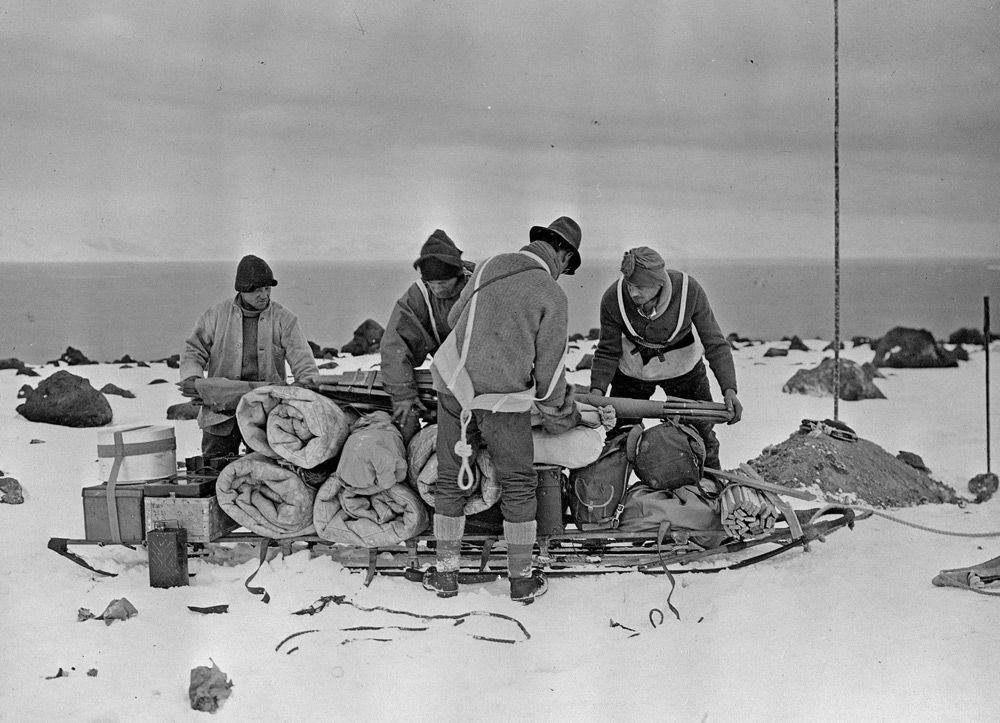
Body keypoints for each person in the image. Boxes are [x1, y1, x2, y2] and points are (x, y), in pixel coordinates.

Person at [425, 216, 584, 604]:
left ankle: (446, 577)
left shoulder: (490, 266)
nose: (564, 273)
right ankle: (521, 582)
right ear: (561, 253)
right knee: (519, 483)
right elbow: (548, 379)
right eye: (567, 265)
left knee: (450, 479)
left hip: (454, 387)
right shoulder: (551, 294)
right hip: (503, 402)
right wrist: (564, 417)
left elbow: (451, 319)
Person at [588, 246, 742, 471]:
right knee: (618, 439)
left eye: (640, 287)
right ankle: (611, 497)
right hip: (633, 372)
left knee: (703, 437)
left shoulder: (690, 291)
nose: (633, 293)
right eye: (630, 285)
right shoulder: (614, 299)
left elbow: (715, 343)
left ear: (659, 283)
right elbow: (607, 351)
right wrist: (596, 395)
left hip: (684, 371)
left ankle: (712, 492)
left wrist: (730, 390)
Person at [178, 254, 319, 458]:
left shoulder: (285, 319)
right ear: (242, 289)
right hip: (220, 414)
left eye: (267, 289)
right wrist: (192, 379)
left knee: (266, 469)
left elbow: (304, 362)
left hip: (266, 414)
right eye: (256, 290)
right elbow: (193, 349)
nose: (264, 295)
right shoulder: (216, 315)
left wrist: (306, 386)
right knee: (213, 469)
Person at [380, 230, 473, 443]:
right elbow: (395, 344)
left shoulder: (479, 286)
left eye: (444, 282)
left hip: (486, 376)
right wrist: (403, 394)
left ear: (458, 275)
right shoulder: (419, 295)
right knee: (406, 415)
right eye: (433, 283)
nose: (437, 288)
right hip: (446, 378)